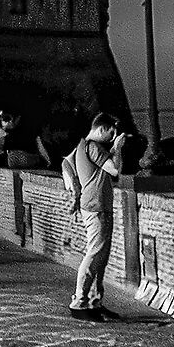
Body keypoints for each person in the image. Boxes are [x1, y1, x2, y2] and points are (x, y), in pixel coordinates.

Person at [61, 114, 122, 320]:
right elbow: (114, 169)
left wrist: (75, 189)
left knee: (101, 256)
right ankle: (79, 302)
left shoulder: (81, 146)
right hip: (96, 207)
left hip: (96, 205)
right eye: (111, 132)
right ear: (102, 129)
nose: (113, 136)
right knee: (95, 253)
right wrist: (118, 148)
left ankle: (95, 301)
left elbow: (66, 164)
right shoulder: (94, 147)